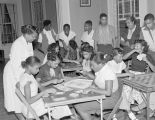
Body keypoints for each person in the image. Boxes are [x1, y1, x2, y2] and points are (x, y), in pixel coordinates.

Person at [3, 25, 38, 119]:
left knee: (25, 98)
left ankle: (26, 116)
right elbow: (15, 65)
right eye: (33, 36)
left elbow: (30, 59)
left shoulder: (29, 42)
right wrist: (19, 80)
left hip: (24, 70)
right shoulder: (17, 44)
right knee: (16, 99)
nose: (34, 39)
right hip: (13, 73)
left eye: (35, 37)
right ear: (26, 34)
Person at [74, 52, 120, 120]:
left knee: (79, 106)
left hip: (111, 98)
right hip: (102, 95)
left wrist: (92, 89)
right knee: (78, 99)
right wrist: (91, 84)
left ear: (101, 64)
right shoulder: (100, 69)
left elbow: (108, 92)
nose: (91, 67)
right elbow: (96, 80)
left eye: (93, 65)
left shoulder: (108, 72)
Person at [122, 39, 155, 116]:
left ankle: (143, 107)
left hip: (142, 75)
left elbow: (154, 69)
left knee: (139, 90)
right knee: (126, 88)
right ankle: (126, 107)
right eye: (135, 45)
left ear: (142, 47)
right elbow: (123, 58)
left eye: (137, 45)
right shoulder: (133, 54)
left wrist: (146, 60)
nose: (135, 46)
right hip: (132, 73)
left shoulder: (147, 55)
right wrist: (132, 51)